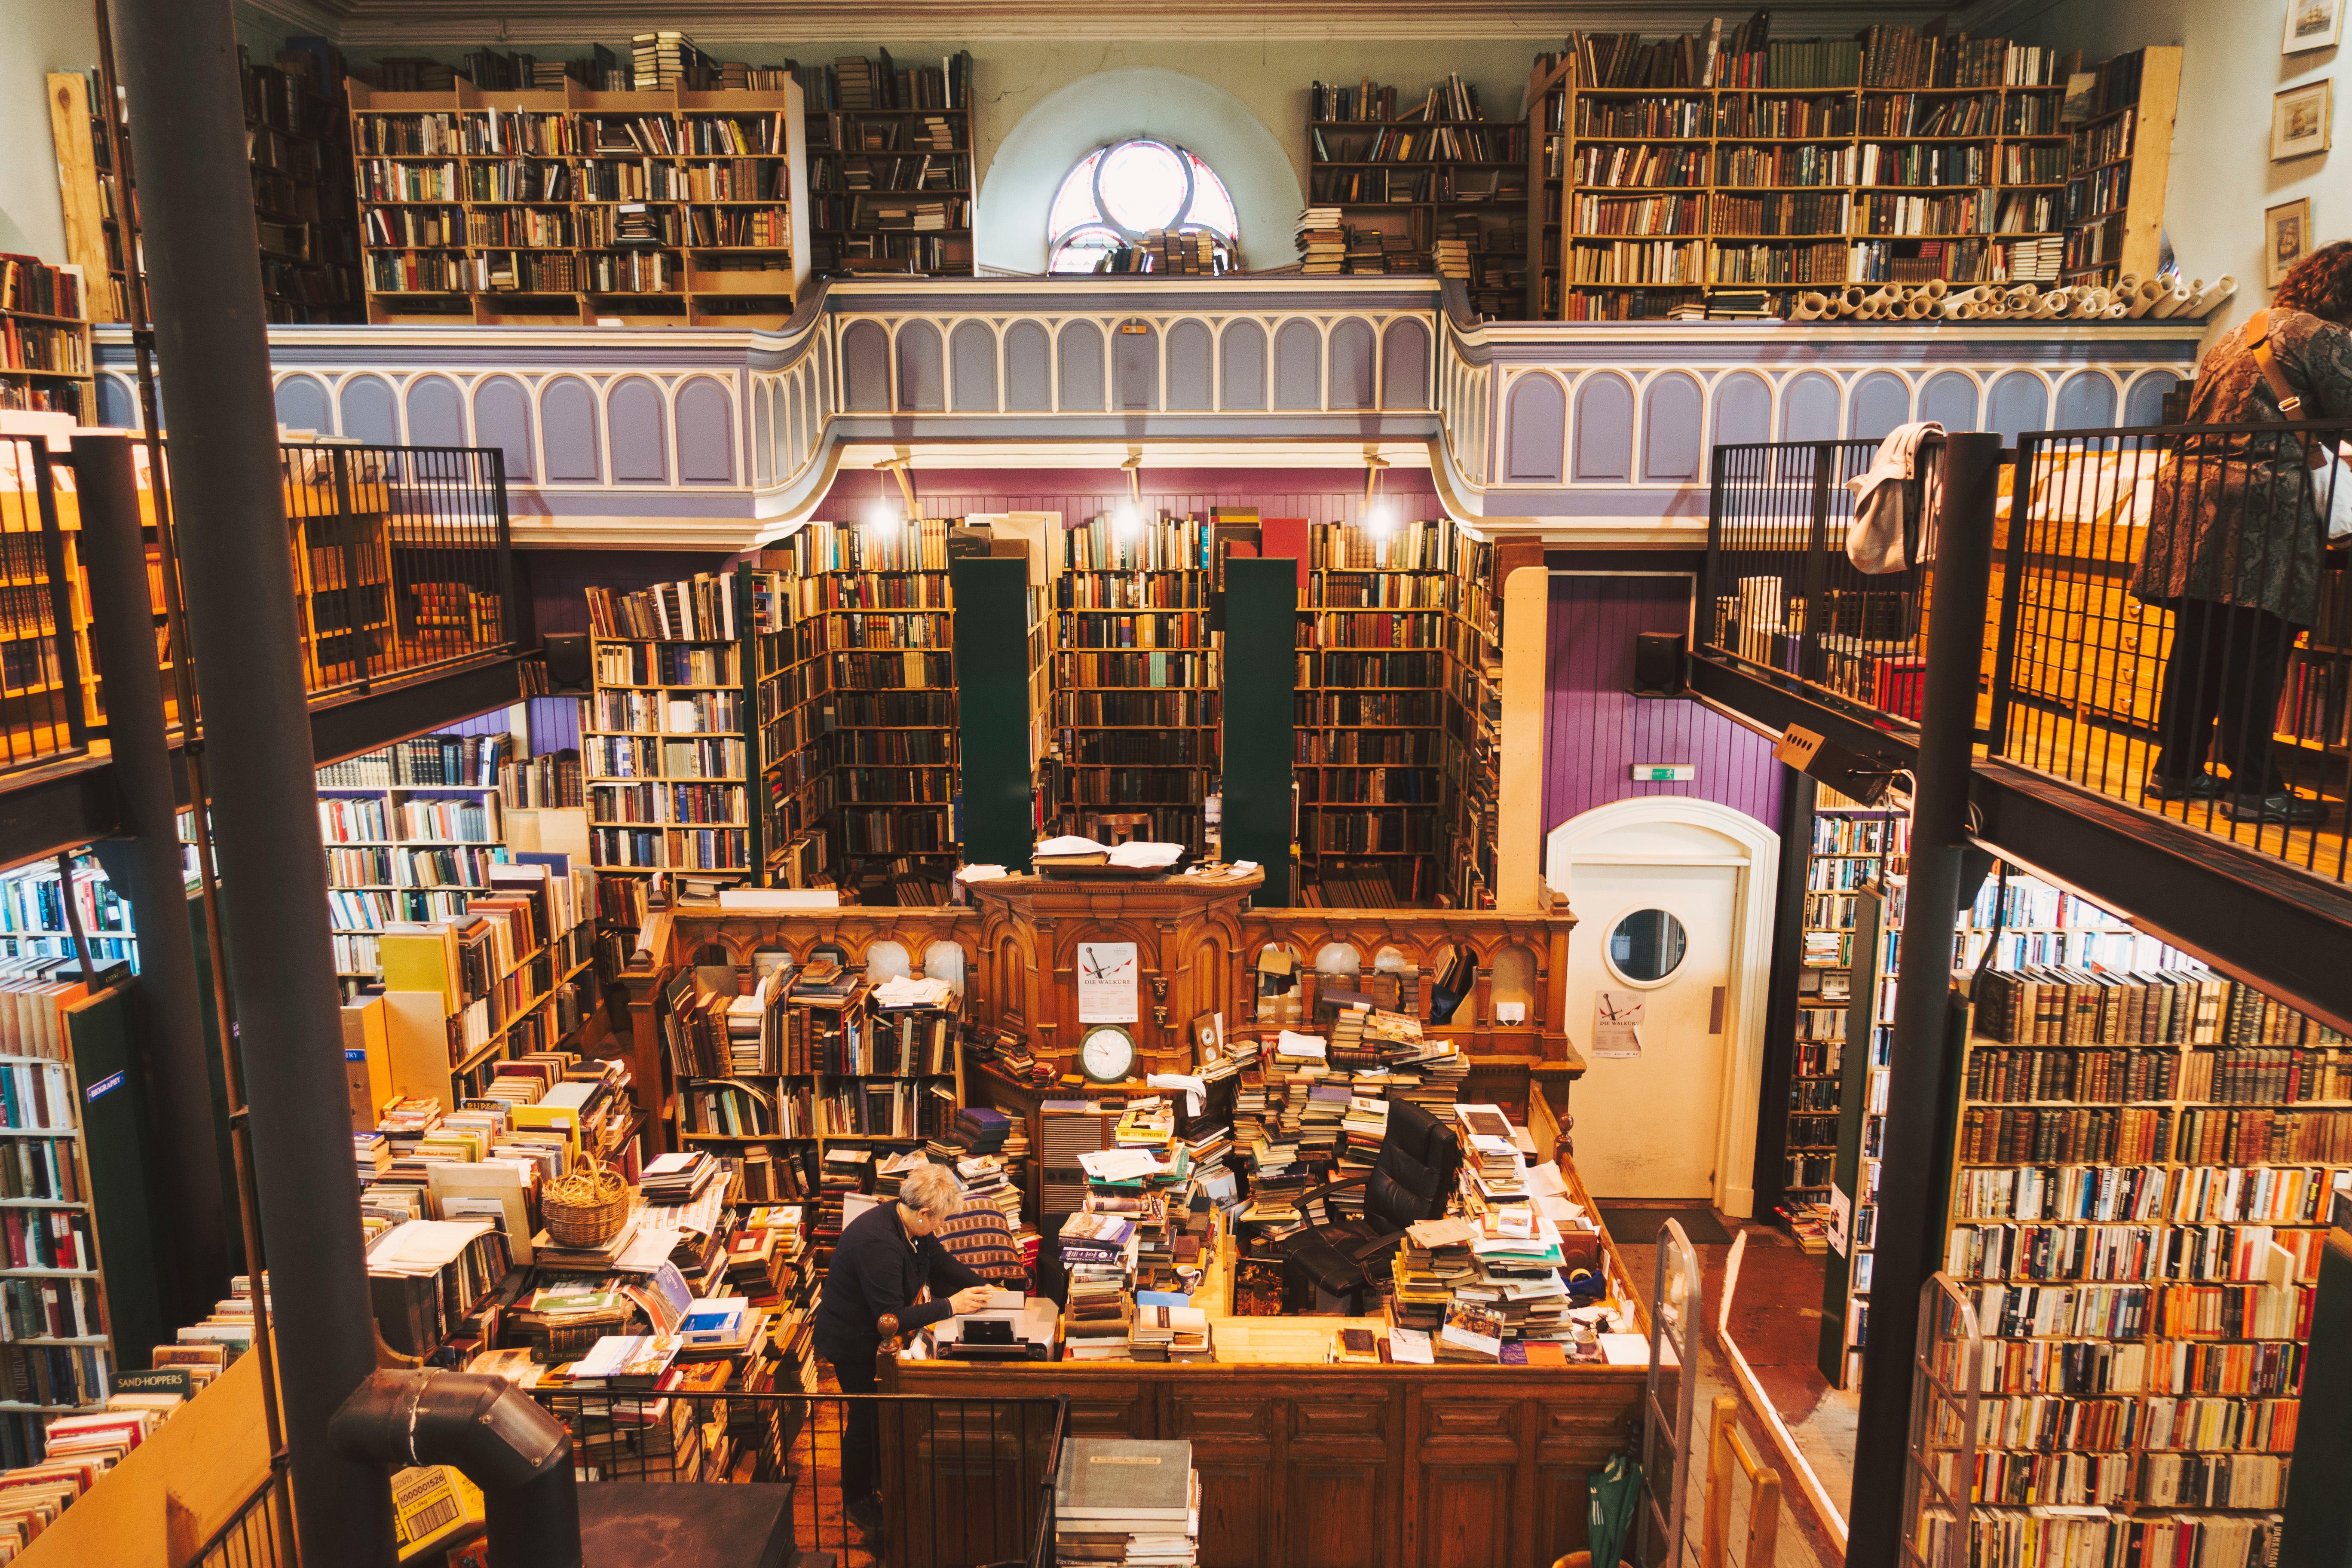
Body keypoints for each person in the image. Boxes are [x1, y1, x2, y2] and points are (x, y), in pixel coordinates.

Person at [2135, 239, 2352, 824]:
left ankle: (2176, 771)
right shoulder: (2324, 337)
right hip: (2262, 507)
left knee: (2199, 645)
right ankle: (2256, 789)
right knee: (2259, 648)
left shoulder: (2241, 331)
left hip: (2193, 500)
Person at [811, 1163, 991, 1546]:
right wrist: (951, 1306)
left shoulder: (911, 1224)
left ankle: (881, 1478)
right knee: (865, 1416)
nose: (940, 1227)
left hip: (874, 1339)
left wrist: (988, 1289)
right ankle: (858, 1497)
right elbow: (890, 1317)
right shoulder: (879, 1244)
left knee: (880, 1414)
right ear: (924, 1213)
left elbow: (941, 1264)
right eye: (939, 1220)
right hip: (853, 1341)